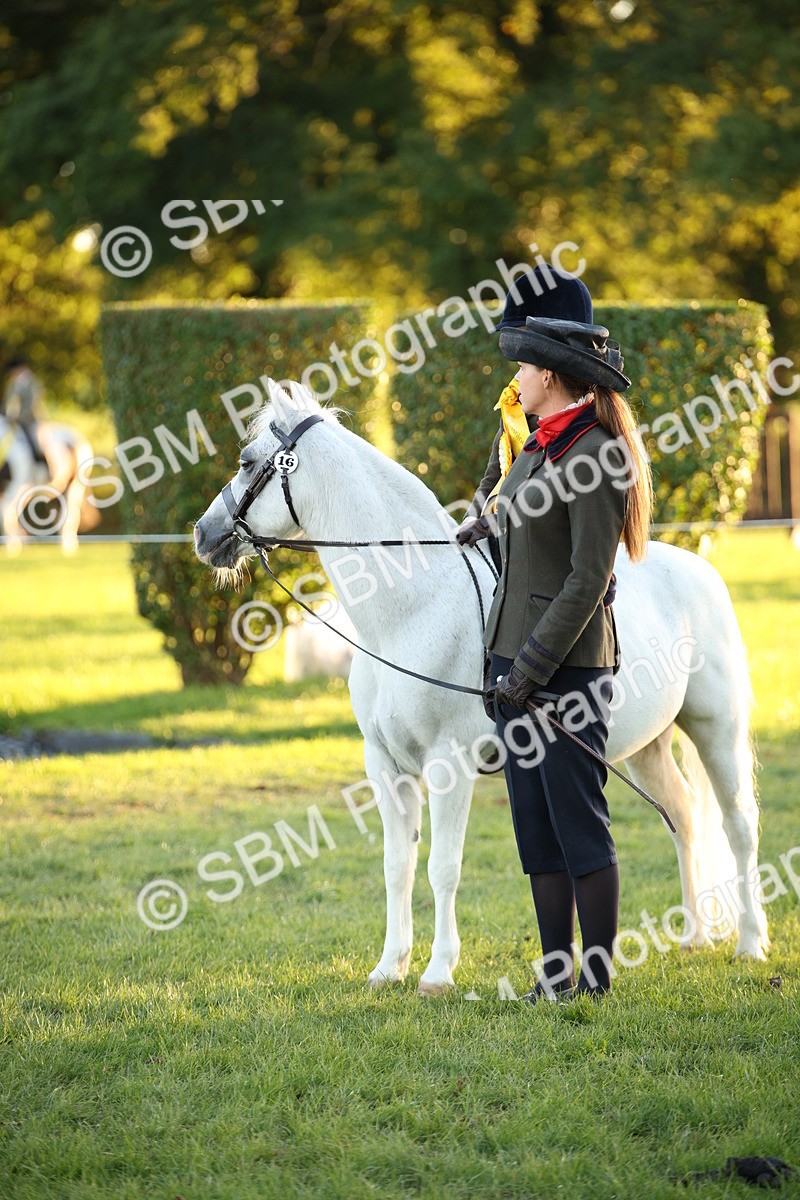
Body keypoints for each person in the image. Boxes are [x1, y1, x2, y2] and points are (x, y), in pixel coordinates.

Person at [481, 316, 653, 1004]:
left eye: (523, 368)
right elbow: (521, 535)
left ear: (548, 375)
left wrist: (529, 669)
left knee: (578, 825)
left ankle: (597, 983)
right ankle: (555, 976)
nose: (517, 379)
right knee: (536, 828)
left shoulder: (596, 453)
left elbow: (587, 578)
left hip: (568, 672)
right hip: (512, 667)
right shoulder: (536, 445)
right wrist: (485, 525)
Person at [455, 265, 593, 569]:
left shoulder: (587, 415)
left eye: (522, 337)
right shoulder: (517, 400)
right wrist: (471, 518)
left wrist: (492, 522)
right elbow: (494, 475)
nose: (517, 349)